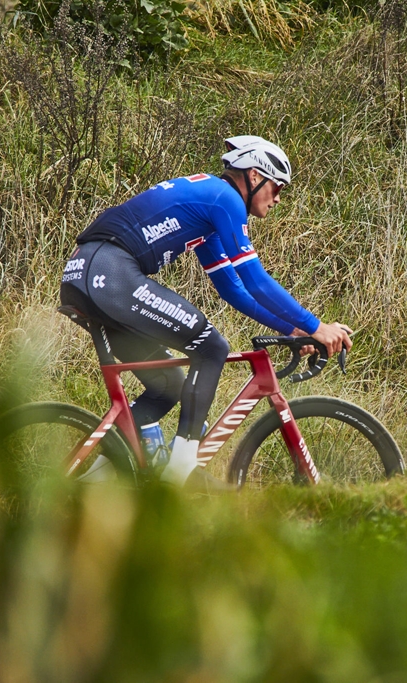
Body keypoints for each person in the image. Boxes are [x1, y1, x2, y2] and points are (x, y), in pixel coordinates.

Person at [59, 135, 353, 489]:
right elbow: (256, 281)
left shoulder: (211, 207)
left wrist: (290, 328)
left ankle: (91, 482)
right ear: (255, 175)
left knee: (167, 387)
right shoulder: (225, 198)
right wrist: (316, 325)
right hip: (109, 274)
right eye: (276, 188)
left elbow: (233, 289)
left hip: (91, 274)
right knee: (211, 347)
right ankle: (179, 471)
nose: (277, 199)